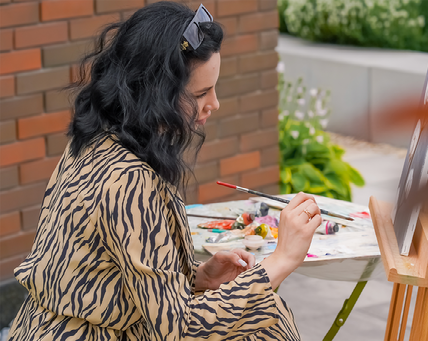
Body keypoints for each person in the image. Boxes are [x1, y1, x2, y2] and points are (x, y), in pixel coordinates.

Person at [7, 2, 322, 340]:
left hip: (49, 327)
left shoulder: (101, 139)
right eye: (201, 93)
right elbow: (178, 328)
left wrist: (198, 277)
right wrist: (281, 260)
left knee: (263, 313)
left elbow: (112, 272)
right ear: (157, 93)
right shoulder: (127, 179)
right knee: (266, 317)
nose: (214, 104)